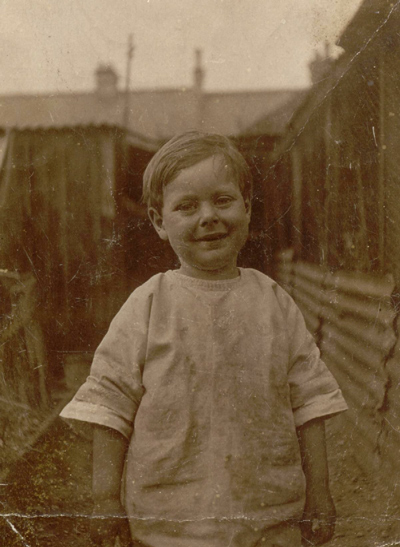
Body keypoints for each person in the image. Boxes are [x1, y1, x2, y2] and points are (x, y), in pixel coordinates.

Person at [61, 131, 347, 547]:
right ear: (160, 222)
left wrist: (319, 494)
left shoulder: (274, 303)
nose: (208, 216)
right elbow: (108, 405)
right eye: (187, 206)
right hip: (168, 526)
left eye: (223, 200)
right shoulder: (148, 305)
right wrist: (105, 499)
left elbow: (309, 403)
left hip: (268, 521)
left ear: (247, 208)